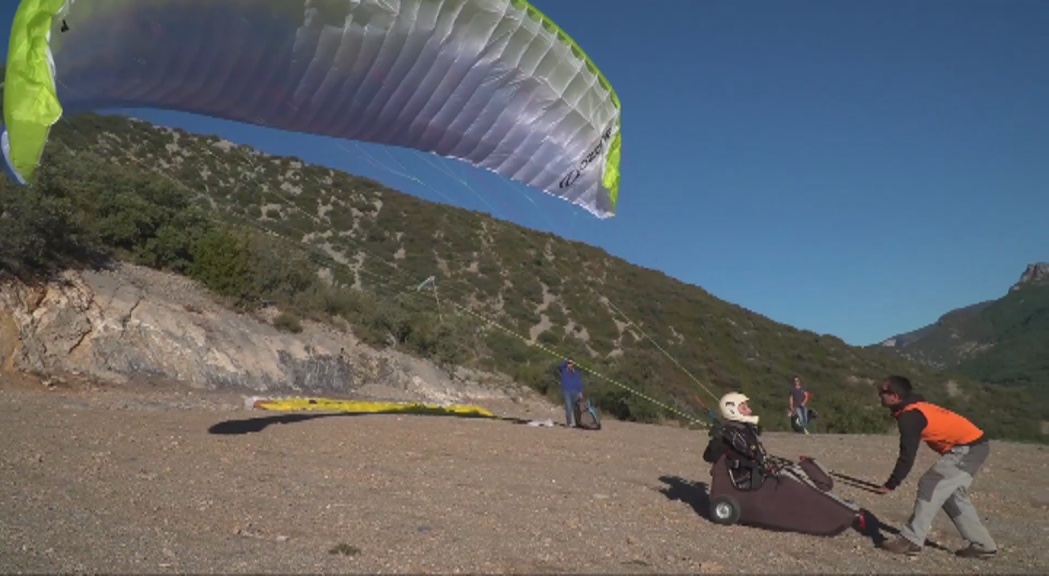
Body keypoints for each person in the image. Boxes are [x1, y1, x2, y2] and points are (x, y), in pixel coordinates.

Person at [873, 375, 997, 559]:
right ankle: (983, 545)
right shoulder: (916, 407)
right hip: (976, 446)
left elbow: (907, 456)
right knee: (952, 495)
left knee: (930, 484)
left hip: (968, 449)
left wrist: (891, 484)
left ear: (895, 396)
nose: (879, 395)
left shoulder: (910, 416)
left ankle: (911, 540)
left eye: (882, 391)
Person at [556, 358, 584, 428]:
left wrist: (580, 391)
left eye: (571, 363)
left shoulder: (576, 373)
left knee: (576, 408)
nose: (570, 364)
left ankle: (578, 423)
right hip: (567, 391)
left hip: (576, 392)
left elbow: (579, 382)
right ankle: (569, 423)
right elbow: (559, 366)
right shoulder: (563, 371)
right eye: (569, 363)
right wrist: (565, 361)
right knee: (568, 407)